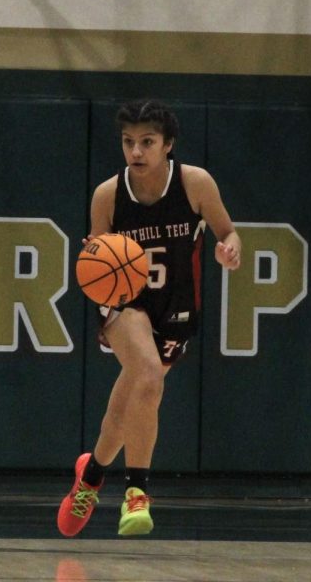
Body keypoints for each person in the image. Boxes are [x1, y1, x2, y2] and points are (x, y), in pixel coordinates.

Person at [57, 99, 241, 538]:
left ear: (168, 145)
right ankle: (136, 493)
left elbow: (228, 231)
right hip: (126, 302)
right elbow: (96, 264)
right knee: (148, 375)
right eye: (128, 142)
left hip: (176, 308)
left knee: (138, 392)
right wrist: (95, 256)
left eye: (147, 142)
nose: (136, 152)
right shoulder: (108, 194)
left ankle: (92, 474)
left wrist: (230, 251)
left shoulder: (195, 184)